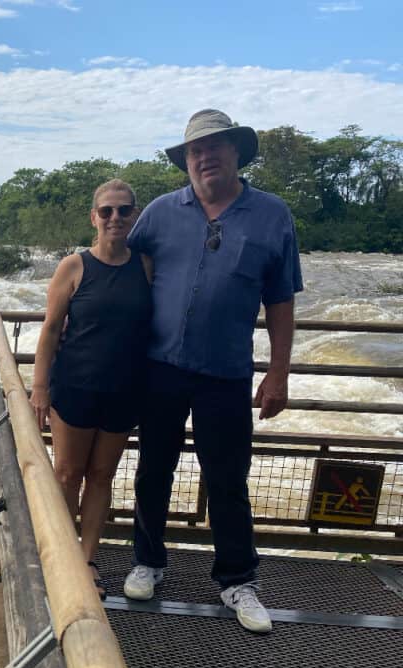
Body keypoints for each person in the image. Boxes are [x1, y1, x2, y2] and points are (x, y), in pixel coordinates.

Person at [122, 109, 304, 634]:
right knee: (153, 471)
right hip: (160, 367)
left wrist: (279, 373)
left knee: (228, 480)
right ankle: (148, 563)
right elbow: (120, 271)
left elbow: (281, 299)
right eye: (195, 152)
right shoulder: (159, 213)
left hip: (225, 372)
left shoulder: (272, 216)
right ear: (186, 162)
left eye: (216, 147)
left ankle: (238, 581)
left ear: (237, 153)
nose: (205, 157)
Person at [31, 179, 152, 599]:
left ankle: (86, 561)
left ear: (134, 215)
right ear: (94, 217)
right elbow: (49, 330)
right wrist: (39, 387)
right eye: (107, 211)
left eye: (123, 210)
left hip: (124, 390)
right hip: (76, 386)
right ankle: (63, 561)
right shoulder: (74, 266)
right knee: (67, 473)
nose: (115, 218)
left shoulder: (147, 265)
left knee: (102, 476)